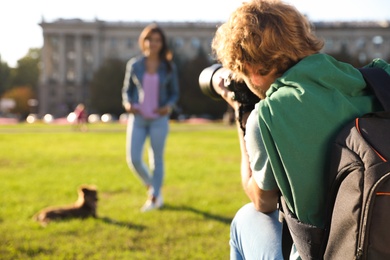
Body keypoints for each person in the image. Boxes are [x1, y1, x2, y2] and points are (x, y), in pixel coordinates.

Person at [210, 0, 390, 259]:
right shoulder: (380, 79)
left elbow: (263, 201)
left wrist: (243, 117)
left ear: (255, 71)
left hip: (331, 251)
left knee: (246, 218)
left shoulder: (269, 115)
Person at [122, 23, 180, 212]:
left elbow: (174, 93)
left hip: (158, 118)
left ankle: (154, 197)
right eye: (149, 39)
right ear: (143, 41)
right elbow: (127, 91)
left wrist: (168, 107)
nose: (153, 43)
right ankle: (153, 187)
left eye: (157, 40)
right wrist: (128, 104)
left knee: (157, 159)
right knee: (134, 159)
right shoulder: (135, 65)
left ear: (162, 43)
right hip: (138, 118)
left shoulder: (169, 67)